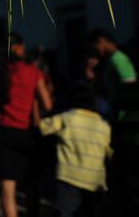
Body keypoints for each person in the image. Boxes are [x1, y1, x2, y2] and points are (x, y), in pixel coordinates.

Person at [0, 33, 52, 217]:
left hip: (4, 132)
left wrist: (0, 110)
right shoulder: (33, 71)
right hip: (29, 132)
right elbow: (48, 105)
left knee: (8, 184)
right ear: (20, 47)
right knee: (32, 181)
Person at [39, 83, 110, 217]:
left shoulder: (67, 118)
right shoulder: (104, 126)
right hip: (94, 182)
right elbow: (111, 152)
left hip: (68, 177)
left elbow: (43, 128)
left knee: (64, 212)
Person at [89, 28, 136, 113]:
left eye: (95, 46)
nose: (95, 50)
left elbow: (131, 86)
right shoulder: (111, 59)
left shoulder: (118, 59)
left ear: (102, 41)